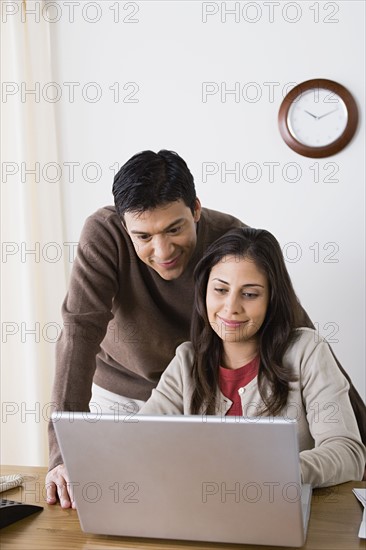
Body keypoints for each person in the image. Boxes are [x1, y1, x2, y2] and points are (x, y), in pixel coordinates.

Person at [46, 150, 366, 506]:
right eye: (144, 236)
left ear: (196, 210)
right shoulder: (105, 235)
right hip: (136, 389)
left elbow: (299, 331)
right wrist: (64, 457)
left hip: (205, 387)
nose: (162, 250)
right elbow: (79, 332)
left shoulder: (232, 242)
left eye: (174, 228)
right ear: (124, 227)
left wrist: (359, 440)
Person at [139, 227, 366, 487]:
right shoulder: (186, 362)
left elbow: (348, 453)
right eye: (220, 290)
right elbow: (139, 440)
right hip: (203, 515)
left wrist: (282, 472)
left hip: (286, 512)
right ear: (204, 292)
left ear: (272, 299)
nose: (231, 307)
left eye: (249, 294)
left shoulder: (307, 351)